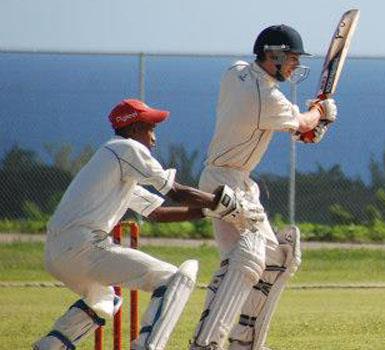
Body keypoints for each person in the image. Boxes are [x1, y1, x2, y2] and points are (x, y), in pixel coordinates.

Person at [34, 99, 264, 350]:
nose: (154, 138)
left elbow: (158, 213)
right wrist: (228, 205)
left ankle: (50, 346)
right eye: (150, 128)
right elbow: (175, 191)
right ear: (133, 129)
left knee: (104, 301)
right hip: (83, 246)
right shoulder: (126, 148)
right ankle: (147, 345)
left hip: (57, 253)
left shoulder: (112, 165)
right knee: (172, 279)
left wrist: (212, 212)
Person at [189, 24, 337, 350]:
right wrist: (321, 112)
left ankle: (246, 341)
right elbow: (302, 123)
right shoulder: (266, 97)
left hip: (231, 180)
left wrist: (309, 122)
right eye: (292, 58)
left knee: (275, 259)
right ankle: (208, 342)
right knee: (250, 260)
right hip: (227, 182)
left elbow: (294, 126)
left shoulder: (236, 72)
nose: (295, 65)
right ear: (273, 55)